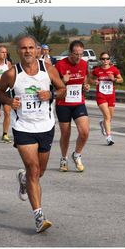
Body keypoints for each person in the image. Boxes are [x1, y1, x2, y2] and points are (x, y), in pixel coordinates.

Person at [0, 35, 66, 233]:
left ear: (36, 50)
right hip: (23, 127)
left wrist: (50, 94)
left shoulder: (47, 70)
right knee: (33, 168)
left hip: (46, 127)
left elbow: (63, 90)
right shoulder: (12, 74)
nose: (27, 51)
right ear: (18, 51)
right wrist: (9, 102)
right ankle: (39, 217)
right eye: (23, 48)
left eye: (31, 47)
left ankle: (24, 180)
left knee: (39, 172)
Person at [54, 40, 90, 172]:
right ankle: (64, 158)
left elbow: (85, 80)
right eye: (76, 54)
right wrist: (62, 81)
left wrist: (86, 87)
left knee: (85, 132)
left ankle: (77, 154)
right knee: (65, 134)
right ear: (70, 52)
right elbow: (53, 86)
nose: (79, 57)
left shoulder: (84, 64)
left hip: (78, 102)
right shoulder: (60, 65)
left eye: (81, 54)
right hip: (63, 103)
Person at [89, 52, 123, 145]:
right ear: (100, 60)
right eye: (103, 59)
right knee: (107, 116)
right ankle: (109, 137)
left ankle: (102, 123)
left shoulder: (114, 69)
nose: (105, 61)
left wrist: (114, 79)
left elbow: (121, 79)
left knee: (109, 117)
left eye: (107, 59)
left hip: (111, 95)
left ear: (109, 60)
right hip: (101, 95)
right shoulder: (97, 70)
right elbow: (90, 78)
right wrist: (94, 82)